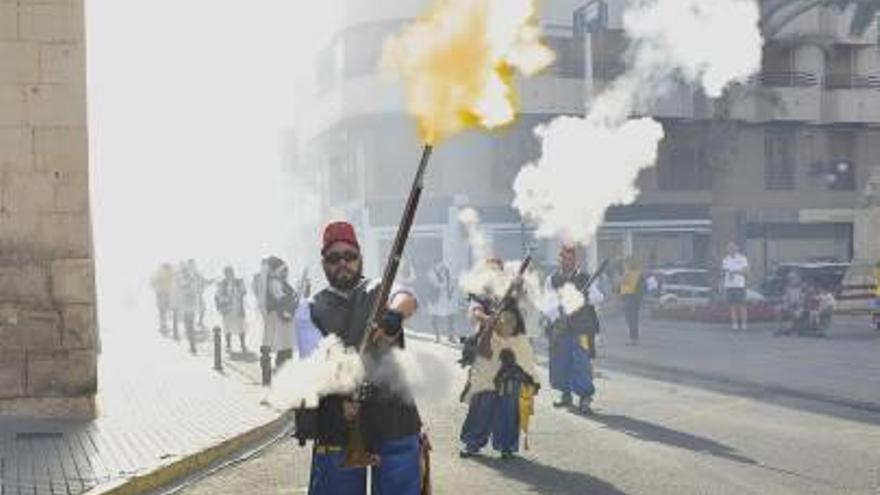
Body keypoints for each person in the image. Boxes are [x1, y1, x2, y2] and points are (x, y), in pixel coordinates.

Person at [295, 221, 426, 494]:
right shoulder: (309, 309)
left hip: (394, 419)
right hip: (338, 422)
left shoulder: (381, 288)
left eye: (349, 256)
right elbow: (316, 359)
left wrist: (394, 316)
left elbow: (407, 297)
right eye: (333, 258)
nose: (342, 263)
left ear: (360, 258)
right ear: (323, 263)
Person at [459, 258, 539, 460]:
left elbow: (525, 310)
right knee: (482, 401)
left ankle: (506, 446)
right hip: (487, 353)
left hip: (511, 353)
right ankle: (472, 443)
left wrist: (519, 289)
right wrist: (489, 319)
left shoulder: (513, 292)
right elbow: (475, 311)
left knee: (509, 402)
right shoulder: (481, 294)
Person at [543, 244, 602, 414]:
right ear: (559, 259)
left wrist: (583, 298)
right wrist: (558, 316)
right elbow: (548, 303)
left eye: (570, 258)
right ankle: (565, 395)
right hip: (561, 328)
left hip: (582, 328)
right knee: (561, 363)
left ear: (574, 260)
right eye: (563, 258)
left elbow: (599, 297)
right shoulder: (552, 279)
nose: (566, 261)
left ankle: (585, 398)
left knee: (581, 364)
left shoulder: (585, 278)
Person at [262, 256, 297, 369]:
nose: (285, 272)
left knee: (286, 345)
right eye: (282, 269)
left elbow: (289, 296)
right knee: (283, 346)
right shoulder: (274, 282)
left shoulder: (281, 282)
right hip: (278, 317)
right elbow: (281, 298)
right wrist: (293, 299)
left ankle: (285, 369)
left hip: (284, 317)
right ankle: (281, 370)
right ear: (277, 270)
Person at [215, 266, 248, 353]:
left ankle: (243, 344)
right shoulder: (222, 283)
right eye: (227, 273)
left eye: (231, 272)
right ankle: (228, 345)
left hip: (237, 307)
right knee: (227, 327)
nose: (229, 275)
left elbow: (244, 292)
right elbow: (217, 296)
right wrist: (221, 303)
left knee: (241, 326)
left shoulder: (238, 282)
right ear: (225, 274)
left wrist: (241, 288)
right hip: (227, 308)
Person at [172, 261, 200, 353]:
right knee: (189, 326)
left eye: (183, 272)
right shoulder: (190, 279)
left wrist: (183, 287)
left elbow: (185, 289)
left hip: (189, 306)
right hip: (188, 306)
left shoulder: (189, 280)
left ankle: (193, 347)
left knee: (189, 327)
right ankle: (192, 346)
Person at [426, 262, 457, 343]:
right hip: (435, 298)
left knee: (450, 316)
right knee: (434, 317)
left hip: (445, 298)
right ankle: (437, 336)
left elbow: (451, 285)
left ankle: (450, 336)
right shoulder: (432, 272)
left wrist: (451, 287)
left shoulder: (446, 269)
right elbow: (436, 285)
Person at [722, 242, 749, 330]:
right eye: (729, 248)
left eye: (733, 248)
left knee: (742, 305)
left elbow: (746, 272)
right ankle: (735, 324)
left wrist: (734, 272)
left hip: (740, 285)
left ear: (737, 248)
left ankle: (744, 324)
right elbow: (725, 272)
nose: (731, 250)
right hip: (729, 285)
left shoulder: (742, 258)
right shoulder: (725, 259)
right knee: (732, 306)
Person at [619, 257, 646, 345]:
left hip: (633, 298)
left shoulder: (637, 274)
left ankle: (634, 339)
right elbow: (622, 286)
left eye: (626, 264)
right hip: (626, 298)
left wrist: (639, 299)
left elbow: (642, 288)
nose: (624, 265)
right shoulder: (626, 274)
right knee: (628, 318)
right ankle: (633, 337)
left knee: (633, 319)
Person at [776, 271, 806, 336]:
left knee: (796, 313)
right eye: (791, 278)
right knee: (778, 308)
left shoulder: (801, 289)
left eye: (793, 278)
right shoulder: (787, 289)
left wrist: (796, 304)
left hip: (798, 307)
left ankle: (793, 330)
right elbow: (784, 299)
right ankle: (781, 328)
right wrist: (785, 306)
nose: (792, 280)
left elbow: (802, 300)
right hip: (789, 306)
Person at [150, 263, 174, 333]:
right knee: (164, 310)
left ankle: (163, 326)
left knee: (163, 310)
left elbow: (153, 282)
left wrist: (156, 289)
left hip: (164, 293)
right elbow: (153, 282)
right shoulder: (164, 273)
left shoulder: (162, 273)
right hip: (164, 293)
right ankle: (163, 326)